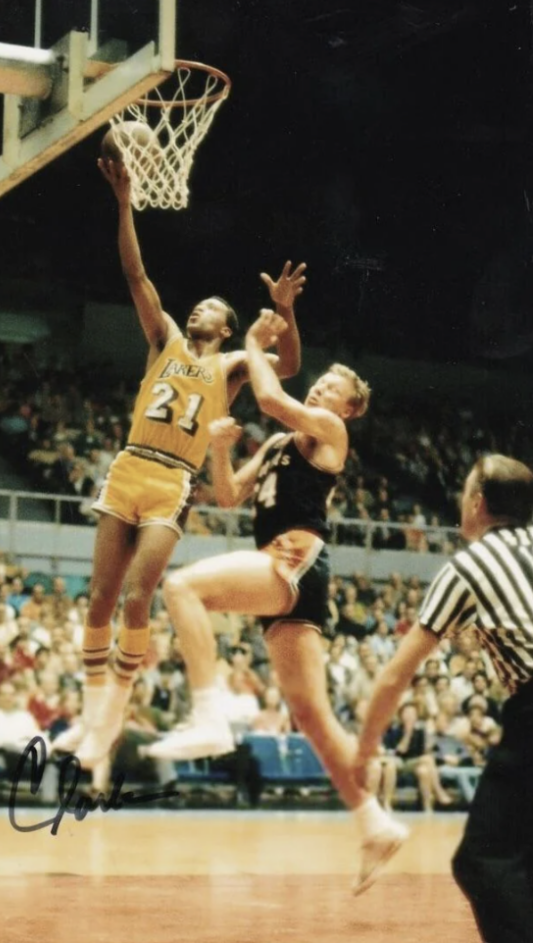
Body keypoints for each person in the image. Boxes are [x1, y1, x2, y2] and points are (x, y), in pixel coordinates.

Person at [138, 308, 406, 891]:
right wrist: (220, 448)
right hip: (288, 566)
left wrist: (258, 343)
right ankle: (373, 820)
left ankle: (209, 714)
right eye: (323, 379)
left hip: (295, 556)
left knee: (183, 586)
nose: (322, 386)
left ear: (347, 408)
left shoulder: (330, 431)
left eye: (334, 387)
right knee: (310, 714)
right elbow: (230, 496)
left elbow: (268, 396)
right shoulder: (285, 441)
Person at [62, 159, 307, 770]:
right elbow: (135, 272)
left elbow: (291, 369)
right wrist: (124, 205)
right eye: (196, 305)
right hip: (128, 468)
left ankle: (113, 721)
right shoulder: (164, 340)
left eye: (210, 309)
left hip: (173, 479)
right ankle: (94, 721)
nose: (198, 310)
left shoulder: (230, 368)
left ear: (227, 329)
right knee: (99, 599)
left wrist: (287, 315)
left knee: (140, 597)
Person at [354, 455, 533, 940]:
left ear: (477, 503)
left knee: (484, 860)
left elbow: (396, 674)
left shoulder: (470, 565)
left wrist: (364, 749)